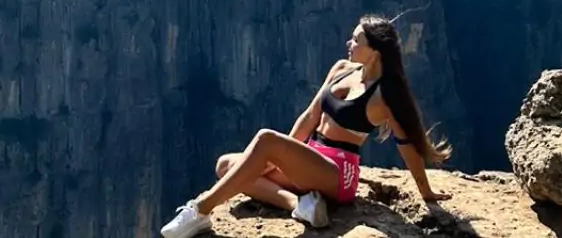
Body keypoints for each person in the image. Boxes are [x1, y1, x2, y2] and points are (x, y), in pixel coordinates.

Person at [160, 14, 453, 238]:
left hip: (338, 174)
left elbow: (407, 147)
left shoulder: (384, 95)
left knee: (265, 140)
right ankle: (299, 205)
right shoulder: (341, 69)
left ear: (375, 51)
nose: (349, 44)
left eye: (356, 41)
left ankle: (199, 210)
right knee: (226, 165)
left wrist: (426, 192)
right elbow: (310, 117)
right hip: (311, 159)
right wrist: (279, 159)